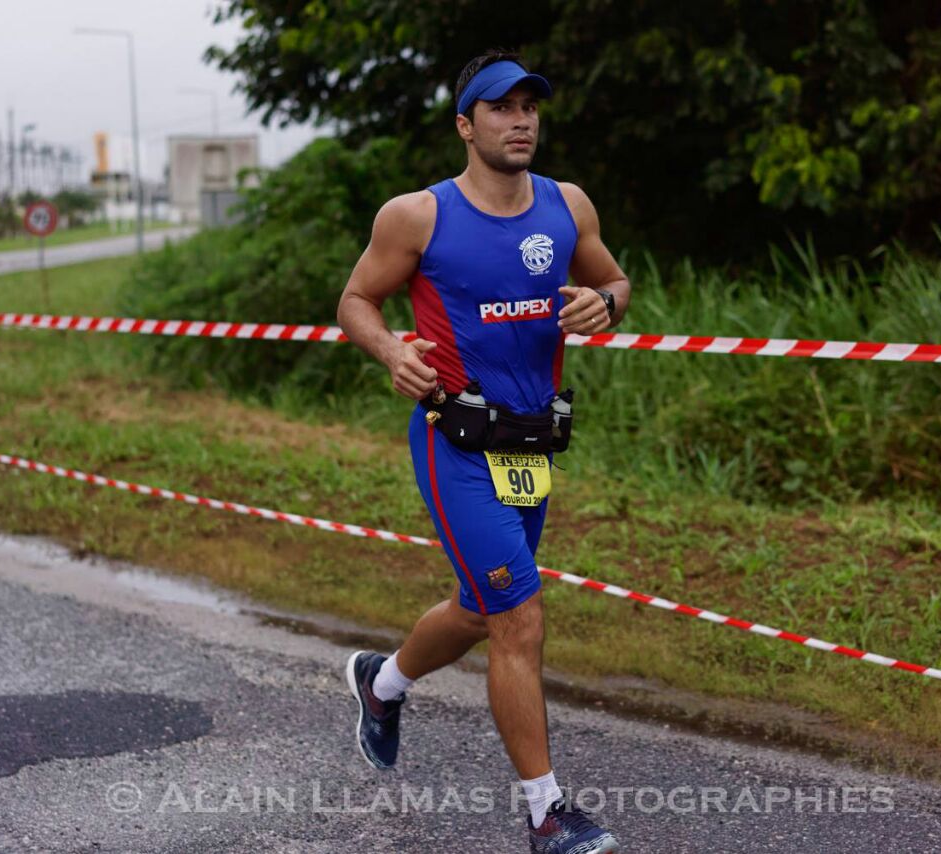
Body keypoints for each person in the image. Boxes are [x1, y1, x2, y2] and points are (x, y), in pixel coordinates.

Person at [336, 50, 631, 853]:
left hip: (532, 447)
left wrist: (600, 303)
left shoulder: (567, 206)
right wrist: (390, 352)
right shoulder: (417, 217)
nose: (521, 119)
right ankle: (547, 814)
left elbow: (619, 283)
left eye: (530, 105)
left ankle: (381, 683)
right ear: (466, 125)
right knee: (520, 615)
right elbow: (356, 299)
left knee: (481, 607)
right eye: (500, 108)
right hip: (454, 440)